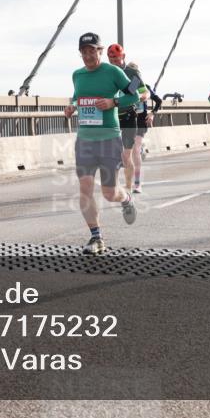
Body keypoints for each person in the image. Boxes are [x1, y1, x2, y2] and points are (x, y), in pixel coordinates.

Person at [64, 32, 141, 255]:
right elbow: (78, 97)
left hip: (109, 138)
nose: (89, 55)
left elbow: (134, 95)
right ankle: (96, 237)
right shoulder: (77, 75)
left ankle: (125, 198)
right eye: (84, 51)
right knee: (85, 187)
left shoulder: (113, 71)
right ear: (80, 53)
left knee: (109, 193)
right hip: (85, 140)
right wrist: (72, 108)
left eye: (93, 51)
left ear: (100, 51)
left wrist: (113, 102)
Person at [106, 44, 150, 193]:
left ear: (123, 57)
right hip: (112, 117)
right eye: (111, 58)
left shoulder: (131, 72)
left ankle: (130, 185)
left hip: (129, 116)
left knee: (126, 155)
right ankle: (116, 186)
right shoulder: (106, 72)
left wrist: (139, 98)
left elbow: (144, 92)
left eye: (116, 58)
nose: (113, 61)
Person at [131, 75, 162, 188]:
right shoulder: (123, 87)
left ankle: (137, 183)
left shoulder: (146, 87)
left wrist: (152, 114)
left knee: (136, 149)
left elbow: (158, 101)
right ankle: (140, 149)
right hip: (127, 121)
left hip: (141, 121)